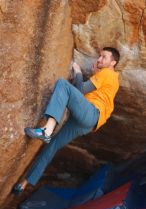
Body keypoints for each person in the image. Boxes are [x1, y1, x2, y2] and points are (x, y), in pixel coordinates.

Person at [13, 47, 120, 195]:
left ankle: (47, 130)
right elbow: (81, 91)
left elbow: (80, 89)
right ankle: (24, 184)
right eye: (99, 56)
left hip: (90, 113)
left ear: (113, 62)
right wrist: (94, 74)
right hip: (86, 122)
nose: (99, 59)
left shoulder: (108, 73)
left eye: (104, 57)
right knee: (52, 146)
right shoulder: (109, 78)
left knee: (63, 84)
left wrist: (77, 71)